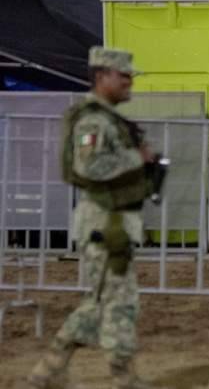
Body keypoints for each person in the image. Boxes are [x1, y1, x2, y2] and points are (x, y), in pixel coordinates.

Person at [23, 47, 161, 389]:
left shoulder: (107, 118)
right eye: (123, 76)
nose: (130, 82)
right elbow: (90, 166)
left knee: (106, 300)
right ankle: (116, 376)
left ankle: (50, 371)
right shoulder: (94, 120)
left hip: (112, 220)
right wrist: (136, 158)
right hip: (105, 221)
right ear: (101, 77)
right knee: (116, 300)